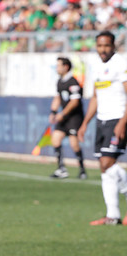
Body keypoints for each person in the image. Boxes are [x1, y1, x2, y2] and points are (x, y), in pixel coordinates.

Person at [78, 31, 127, 226]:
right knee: (104, 169)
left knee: (108, 163)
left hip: (117, 118)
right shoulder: (96, 67)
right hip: (101, 120)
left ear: (113, 46)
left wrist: (123, 121)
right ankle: (112, 215)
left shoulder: (121, 64)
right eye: (99, 46)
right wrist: (85, 123)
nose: (103, 49)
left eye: (106, 45)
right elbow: (95, 98)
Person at [48, 57, 86, 179]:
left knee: (74, 144)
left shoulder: (73, 82)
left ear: (66, 67)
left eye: (59, 65)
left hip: (74, 118)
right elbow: (58, 98)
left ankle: (82, 170)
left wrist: (62, 114)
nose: (57, 68)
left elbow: (75, 102)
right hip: (64, 117)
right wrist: (53, 112)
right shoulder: (60, 82)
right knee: (56, 139)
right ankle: (61, 169)